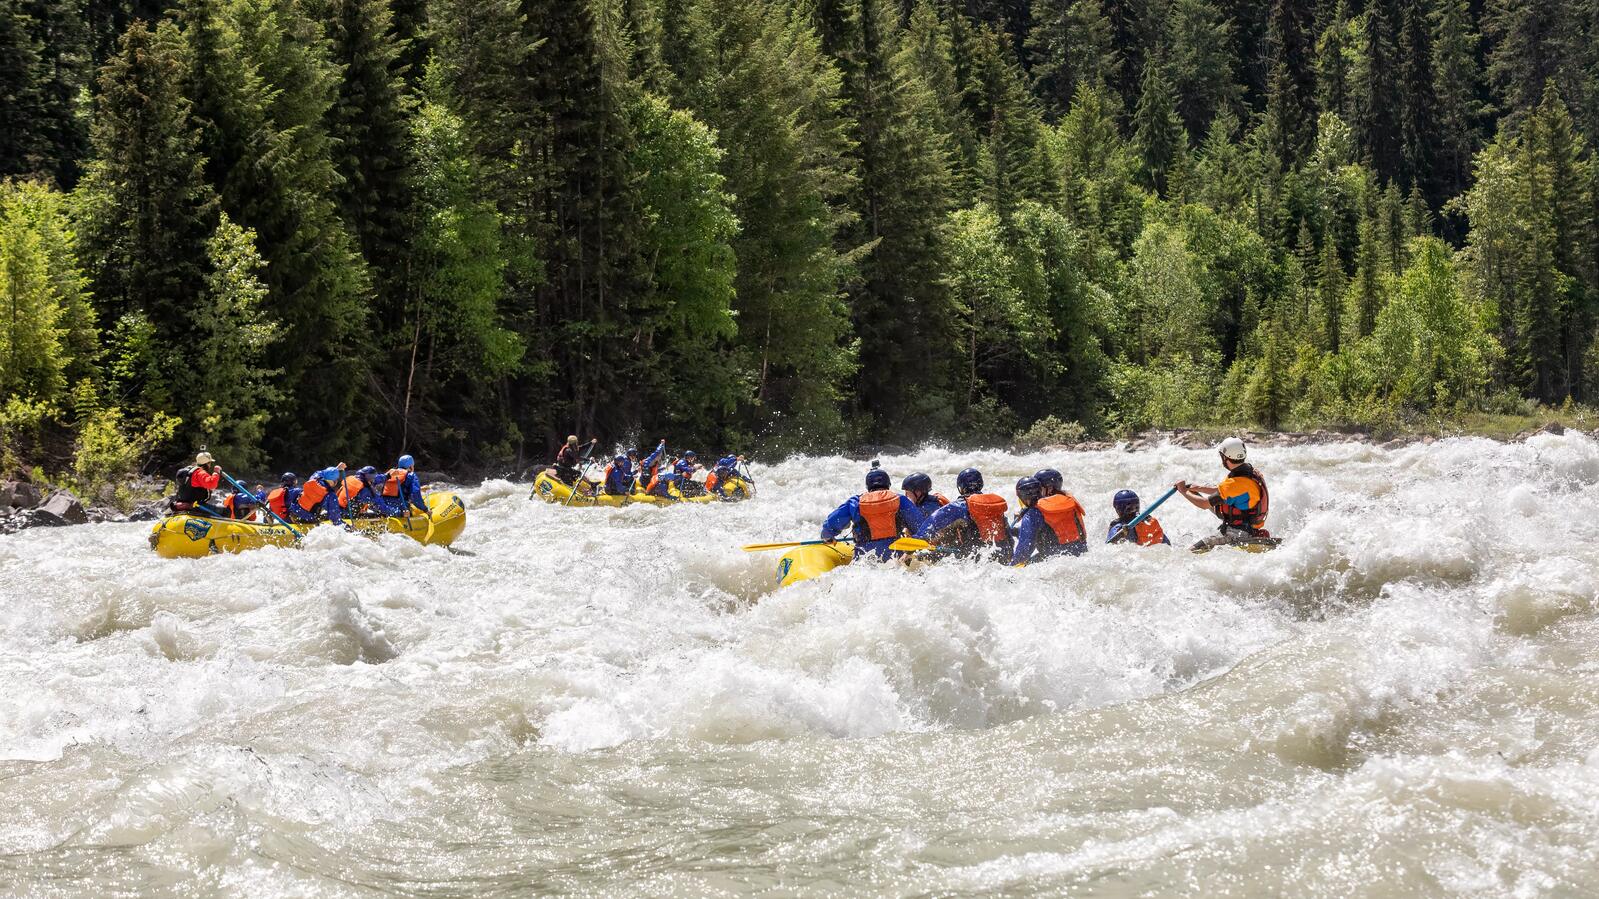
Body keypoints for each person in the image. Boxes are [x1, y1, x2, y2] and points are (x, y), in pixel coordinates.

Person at [1176, 437, 1271, 551]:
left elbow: (1204, 504)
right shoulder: (1250, 472)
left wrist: (1183, 491)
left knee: (1192, 550)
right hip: (1248, 525)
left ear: (1225, 458)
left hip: (1237, 533)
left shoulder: (1233, 483)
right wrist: (1198, 488)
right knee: (1202, 495)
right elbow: (1225, 490)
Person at [820, 466, 928, 561]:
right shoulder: (900, 499)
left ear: (868, 486)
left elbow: (831, 523)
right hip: (894, 555)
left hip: (865, 557)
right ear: (888, 484)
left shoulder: (855, 502)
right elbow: (921, 526)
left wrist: (828, 537)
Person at [919, 467, 1012, 559]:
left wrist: (918, 537)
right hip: (1002, 556)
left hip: (974, 558)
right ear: (981, 484)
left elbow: (932, 522)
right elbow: (1009, 536)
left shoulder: (959, 505)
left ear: (961, 487)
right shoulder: (994, 504)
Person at [1011, 473, 1087, 565]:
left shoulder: (1032, 514)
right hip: (1082, 555)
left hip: (1054, 562)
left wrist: (1010, 567)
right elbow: (1051, 531)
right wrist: (1014, 531)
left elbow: (1024, 550)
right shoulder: (1068, 503)